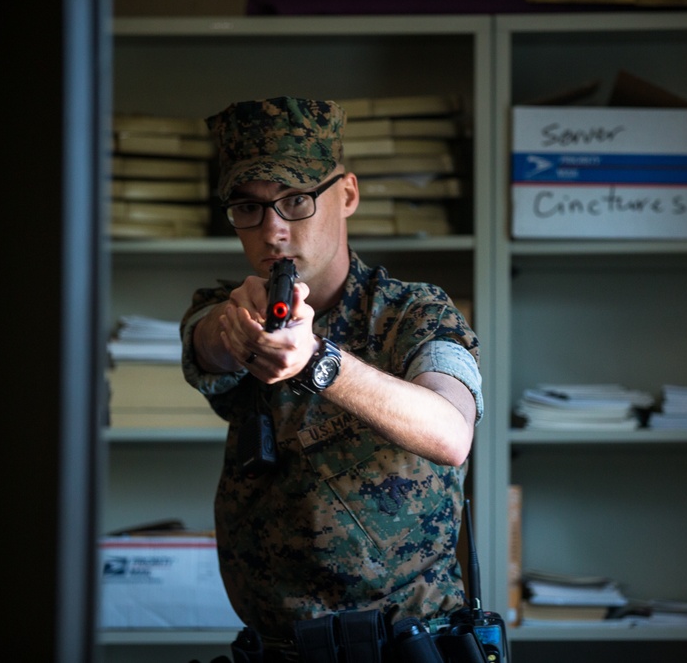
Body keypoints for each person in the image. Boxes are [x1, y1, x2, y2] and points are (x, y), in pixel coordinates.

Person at [179, 96, 483, 656]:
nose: (272, 230)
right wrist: (233, 332)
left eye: (295, 200)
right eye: (247, 207)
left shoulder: (415, 314)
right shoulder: (231, 312)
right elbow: (204, 342)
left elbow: (450, 433)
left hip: (402, 649)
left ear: (346, 195)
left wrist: (320, 362)